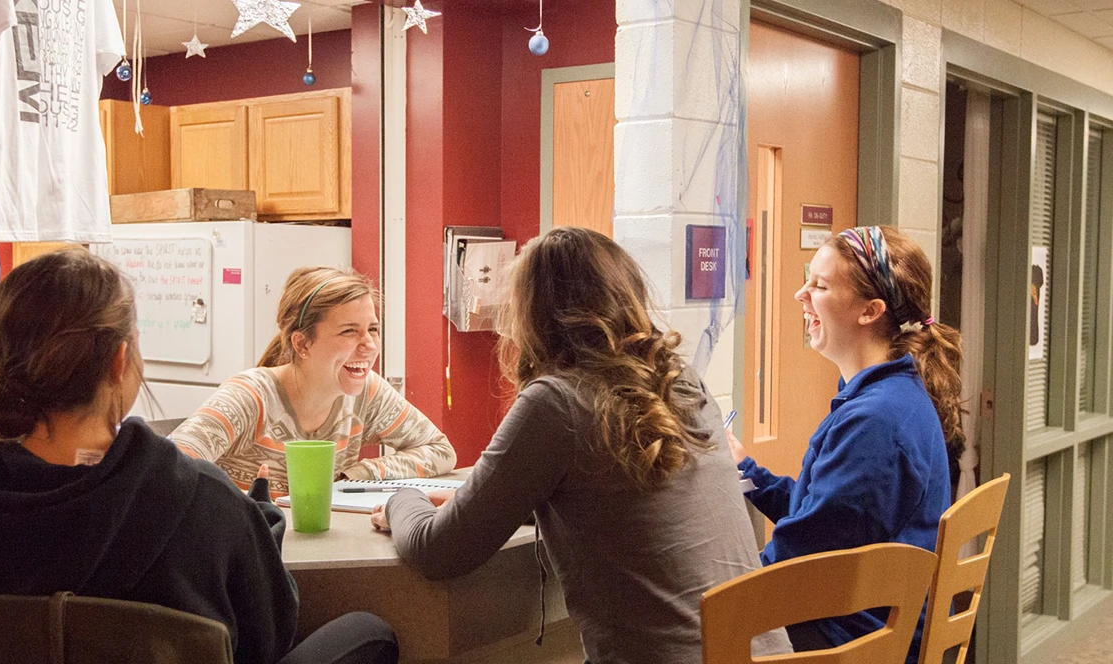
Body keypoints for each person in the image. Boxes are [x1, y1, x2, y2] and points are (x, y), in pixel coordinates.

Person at [0, 249, 398, 664]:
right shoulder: (208, 505)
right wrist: (256, 523)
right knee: (368, 632)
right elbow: (268, 638)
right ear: (119, 361)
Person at [372, 227, 792, 664]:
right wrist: (484, 502)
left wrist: (405, 499)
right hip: (766, 654)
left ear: (530, 313)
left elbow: (439, 551)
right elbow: (622, 507)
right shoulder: (682, 380)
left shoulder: (556, 401)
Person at [727, 225, 963, 661]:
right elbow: (824, 518)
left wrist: (716, 596)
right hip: (869, 620)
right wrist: (747, 471)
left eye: (818, 285)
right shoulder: (889, 395)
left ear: (869, 311)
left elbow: (801, 559)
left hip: (860, 637)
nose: (801, 295)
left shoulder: (876, 421)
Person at [171, 267, 455, 495]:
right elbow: (168, 469)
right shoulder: (250, 396)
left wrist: (357, 475)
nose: (368, 344)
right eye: (348, 332)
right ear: (302, 344)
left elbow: (440, 451)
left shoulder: (367, 391)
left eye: (373, 329)